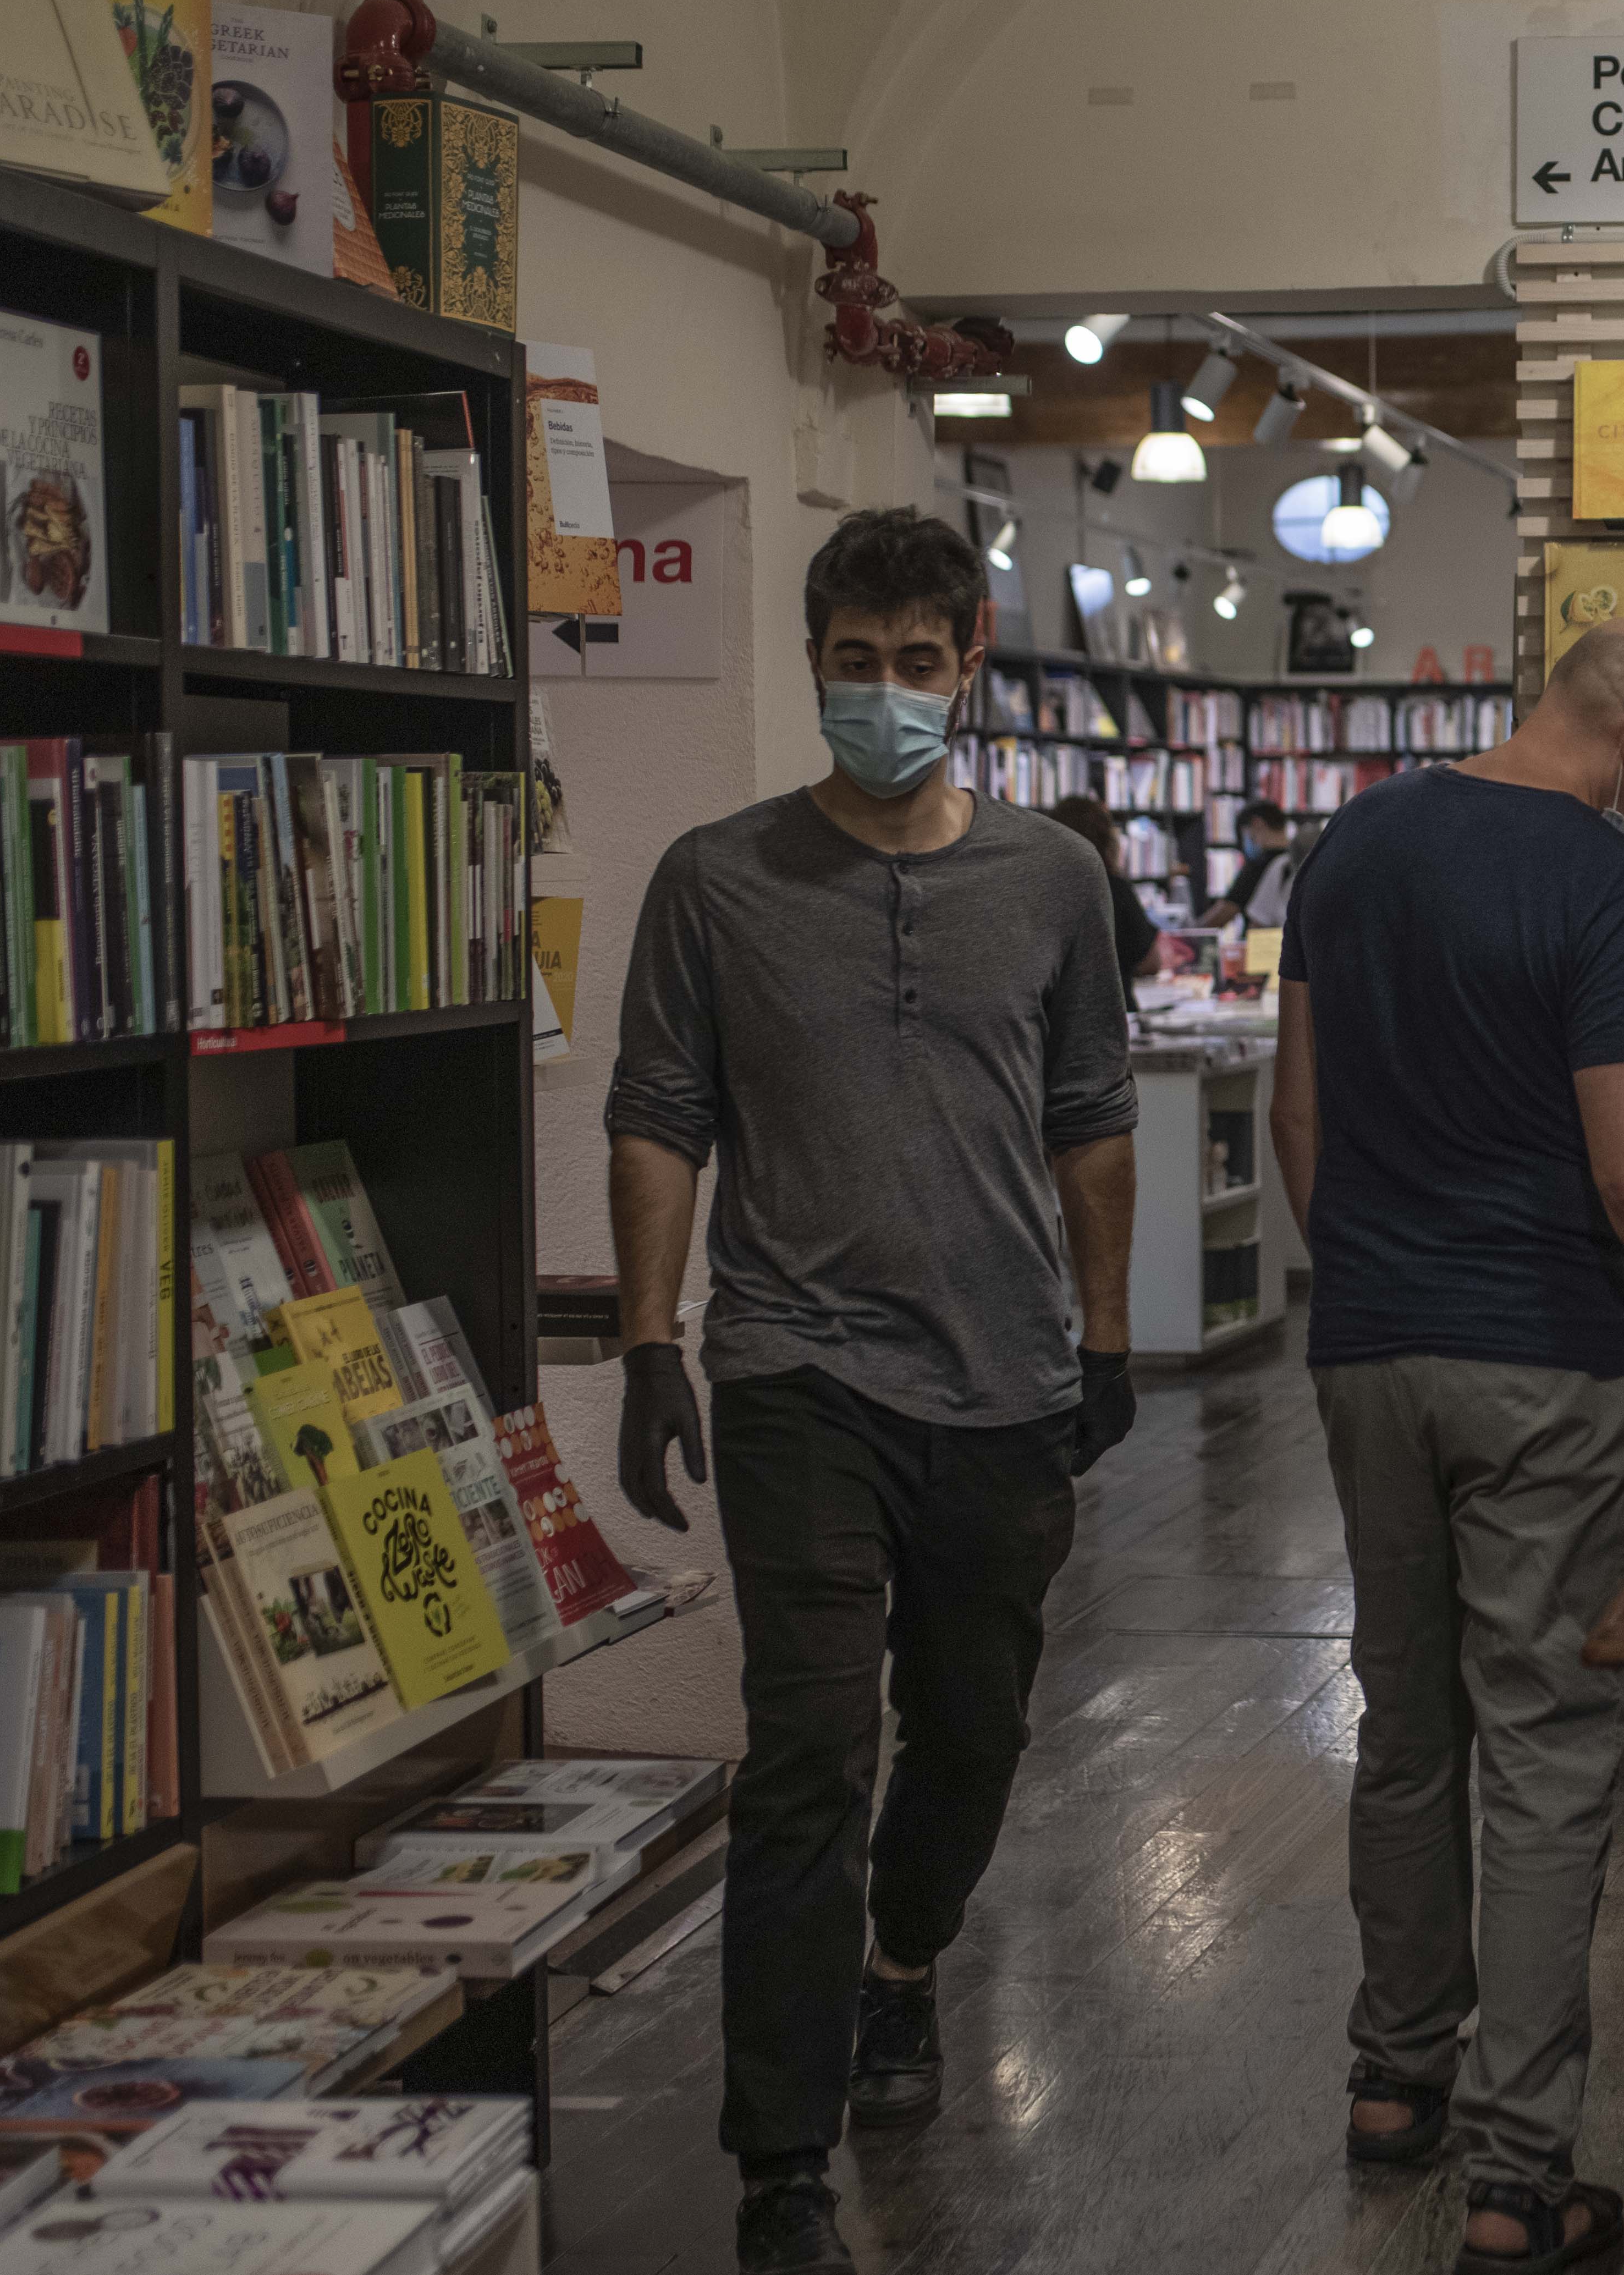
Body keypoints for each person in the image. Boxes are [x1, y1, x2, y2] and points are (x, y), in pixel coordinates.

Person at [603, 508, 1145, 2275]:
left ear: (970, 660)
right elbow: (661, 1109)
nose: (889, 691)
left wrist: (1112, 1335)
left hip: (1003, 1376)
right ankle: (779, 2156)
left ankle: (903, 1968)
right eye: (857, 659)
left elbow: (1091, 1121)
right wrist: (644, 1333)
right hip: (795, 1370)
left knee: (975, 1729)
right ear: (816, 654)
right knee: (808, 1747)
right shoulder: (717, 875)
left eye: (921, 662)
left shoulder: (1054, 879)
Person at [1271, 615, 1624, 2273]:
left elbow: (1302, 1112)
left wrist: (1373, 1273)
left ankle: (1390, 2079)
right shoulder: (1595, 878)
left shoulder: (1356, 837)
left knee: (1403, 1720)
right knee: (1551, 1747)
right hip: (1535, 1353)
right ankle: (1513, 2168)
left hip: (1367, 1343)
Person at [1042, 793, 1167, 980]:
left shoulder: (1044, 891)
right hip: (1114, 1004)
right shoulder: (1113, 888)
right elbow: (1151, 962)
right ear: (1105, 839)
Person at [1208, 799, 1306, 930]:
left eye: (1247, 836)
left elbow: (1224, 913)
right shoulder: (1301, 860)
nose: (1246, 844)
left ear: (1257, 824)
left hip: (1264, 946)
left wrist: (1187, 934)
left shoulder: (1259, 866)